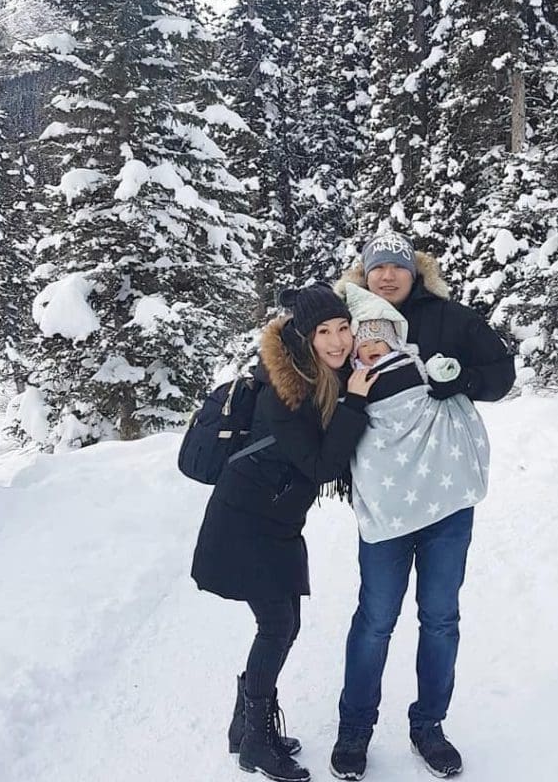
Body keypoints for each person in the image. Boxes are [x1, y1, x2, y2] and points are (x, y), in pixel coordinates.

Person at [330, 233, 515, 780]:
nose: (387, 275)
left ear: (415, 272)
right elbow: (311, 375)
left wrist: (456, 379)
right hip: (386, 500)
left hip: (446, 499)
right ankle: (354, 730)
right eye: (377, 267)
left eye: (397, 267)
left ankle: (429, 727)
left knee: (439, 618)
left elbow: (501, 377)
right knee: (376, 619)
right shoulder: (343, 321)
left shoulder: (451, 319)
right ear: (363, 273)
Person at [191, 284, 377, 782]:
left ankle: (243, 727)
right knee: (277, 627)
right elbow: (319, 464)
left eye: (343, 328)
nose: (338, 341)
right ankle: (254, 740)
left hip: (274, 521)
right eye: (324, 332)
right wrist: (355, 405)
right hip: (245, 523)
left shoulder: (324, 375)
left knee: (283, 625)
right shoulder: (286, 390)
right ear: (303, 336)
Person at [343, 281, 490, 544]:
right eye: (364, 345)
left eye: (380, 341)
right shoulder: (353, 373)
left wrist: (450, 376)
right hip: (383, 448)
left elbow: (435, 376)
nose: (372, 347)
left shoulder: (413, 359)